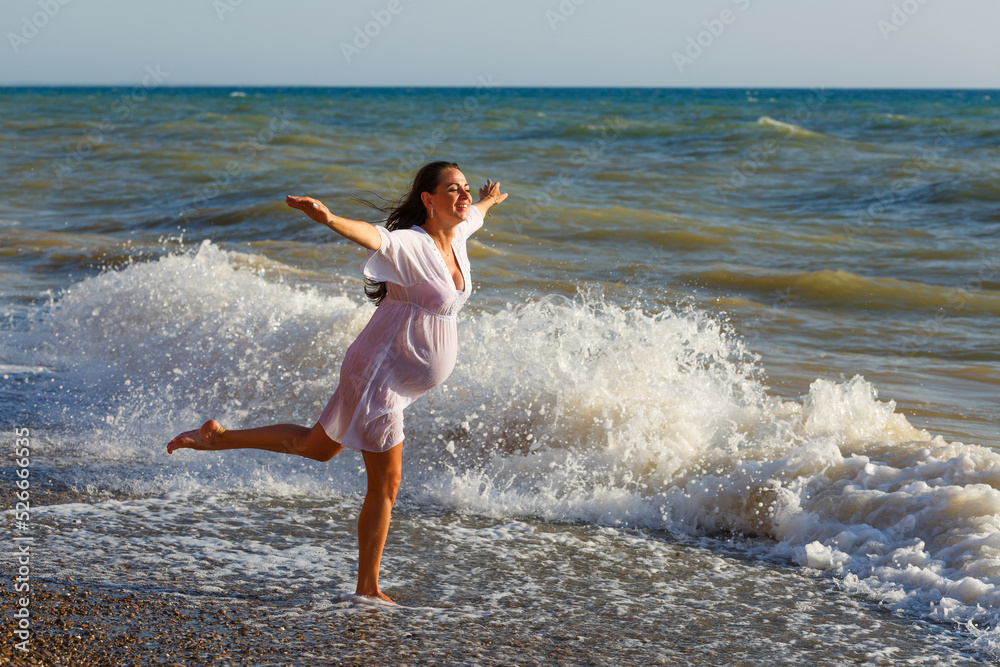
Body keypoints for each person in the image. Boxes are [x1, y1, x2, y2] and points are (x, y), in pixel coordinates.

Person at [167, 161, 508, 604]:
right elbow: (372, 235)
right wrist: (328, 219)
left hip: (390, 373)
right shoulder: (410, 244)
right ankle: (368, 588)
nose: (464, 196)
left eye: (465, 188)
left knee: (317, 447)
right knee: (386, 484)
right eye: (453, 190)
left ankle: (217, 438)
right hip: (379, 374)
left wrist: (488, 199)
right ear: (428, 199)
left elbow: (476, 214)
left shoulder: (458, 235)